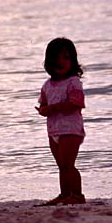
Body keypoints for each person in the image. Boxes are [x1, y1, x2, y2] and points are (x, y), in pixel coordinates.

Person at [35, 37, 86, 205]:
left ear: (73, 61)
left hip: (70, 129)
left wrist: (54, 108)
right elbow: (43, 105)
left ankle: (77, 195)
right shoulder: (47, 85)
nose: (61, 61)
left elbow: (76, 103)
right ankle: (65, 195)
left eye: (66, 57)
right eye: (56, 57)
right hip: (54, 130)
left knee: (68, 164)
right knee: (61, 166)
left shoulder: (73, 82)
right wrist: (43, 110)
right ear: (49, 61)